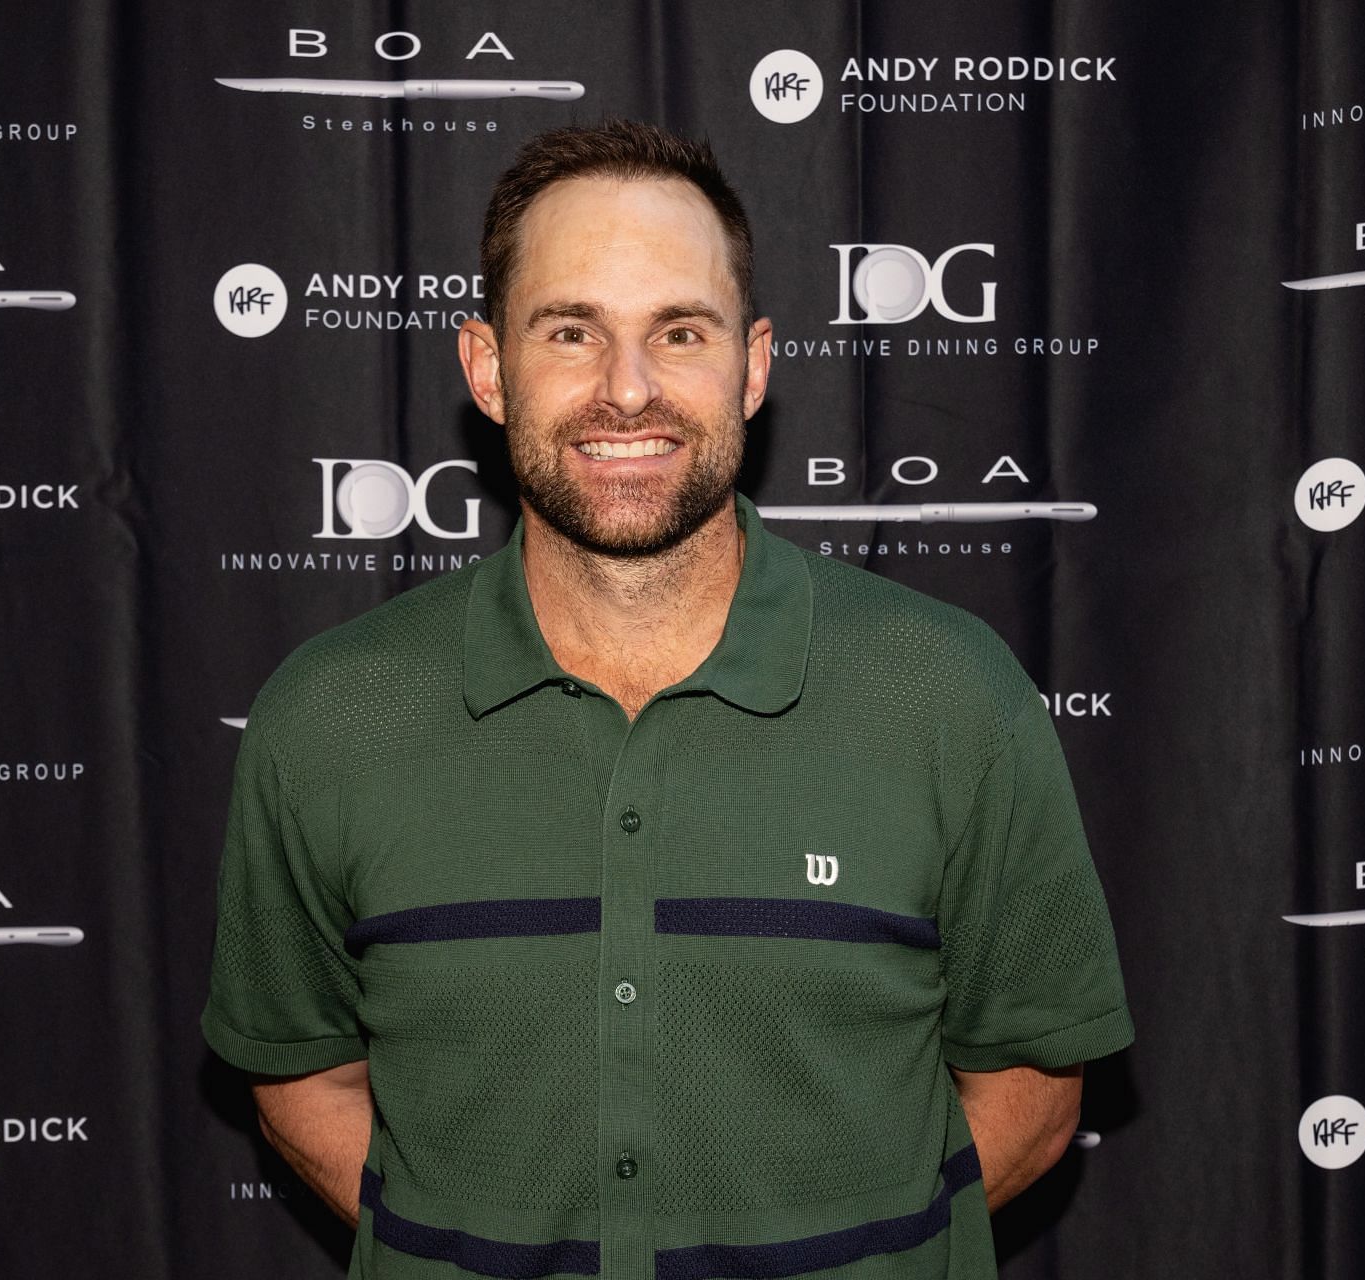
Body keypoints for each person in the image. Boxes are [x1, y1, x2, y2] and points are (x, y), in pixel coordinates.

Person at [203, 118, 1132, 1280]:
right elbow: (297, 1072)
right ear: (488, 370)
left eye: (678, 331)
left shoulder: (947, 693)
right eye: (571, 329)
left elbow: (1034, 1090)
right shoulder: (331, 715)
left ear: (751, 364)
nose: (626, 389)